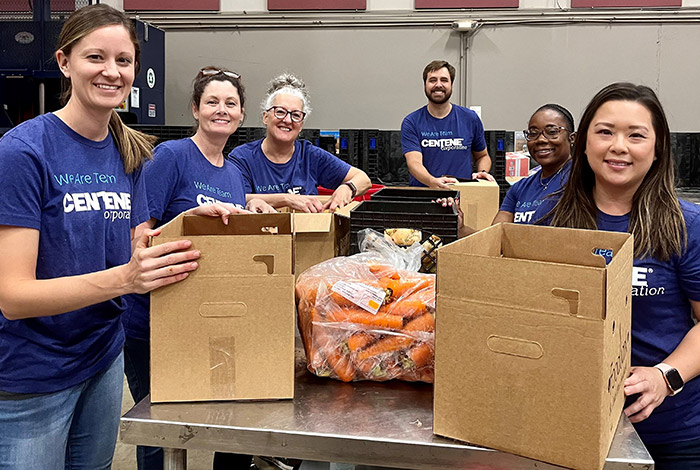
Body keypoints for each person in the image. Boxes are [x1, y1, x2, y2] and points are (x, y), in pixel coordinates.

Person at [0, 5, 232, 469]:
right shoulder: (23, 152)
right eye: (95, 58)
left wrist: (190, 220)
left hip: (103, 358)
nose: (111, 72)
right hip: (34, 375)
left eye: (123, 61)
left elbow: (134, 245)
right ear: (65, 62)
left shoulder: (129, 151)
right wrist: (126, 280)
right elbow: (13, 296)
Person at [535, 83, 700, 469]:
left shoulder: (686, 226)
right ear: (583, 143)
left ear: (657, 148)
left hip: (671, 435)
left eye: (636, 135)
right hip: (571, 427)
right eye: (605, 131)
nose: (618, 146)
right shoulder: (551, 223)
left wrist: (666, 376)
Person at [121, 66, 273, 470]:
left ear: (241, 116)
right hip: (152, 320)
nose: (221, 110)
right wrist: (191, 217)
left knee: (215, 417)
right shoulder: (171, 157)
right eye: (212, 102)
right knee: (160, 428)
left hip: (201, 316)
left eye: (230, 104)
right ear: (195, 109)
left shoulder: (235, 174)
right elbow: (137, 238)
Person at [229, 73, 371, 213]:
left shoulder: (310, 156)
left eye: (296, 115)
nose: (288, 120)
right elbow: (235, 197)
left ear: (301, 124)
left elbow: (364, 179)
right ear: (265, 117)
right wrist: (287, 199)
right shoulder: (243, 157)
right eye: (280, 112)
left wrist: (347, 188)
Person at [401, 60, 494, 188]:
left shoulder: (470, 118)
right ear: (425, 85)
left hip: (462, 196)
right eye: (432, 80)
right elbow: (414, 163)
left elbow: (483, 156)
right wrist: (432, 182)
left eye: (444, 80)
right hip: (425, 195)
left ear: (451, 85)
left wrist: (482, 172)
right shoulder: (411, 122)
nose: (438, 85)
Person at [492, 104, 575, 225]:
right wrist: (462, 229)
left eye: (551, 132)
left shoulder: (582, 181)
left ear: (572, 138)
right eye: (533, 133)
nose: (540, 139)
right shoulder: (519, 189)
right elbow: (495, 236)